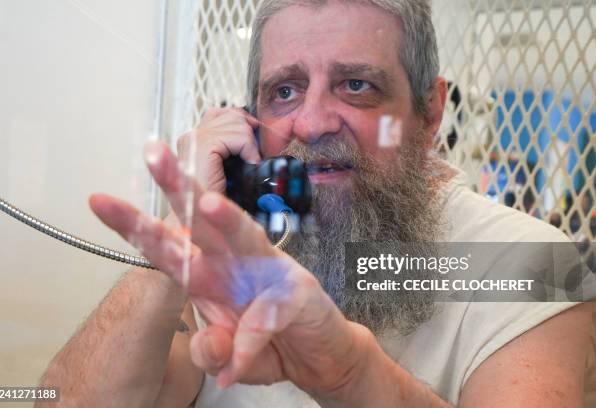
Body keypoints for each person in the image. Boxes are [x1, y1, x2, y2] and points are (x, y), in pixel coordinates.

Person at [36, 1, 595, 407]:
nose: (312, 122)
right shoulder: (232, 246)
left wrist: (349, 376)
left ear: (429, 113)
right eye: (284, 91)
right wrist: (181, 233)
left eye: (356, 86)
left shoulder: (528, 263)